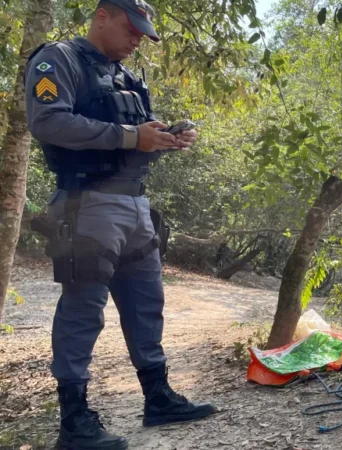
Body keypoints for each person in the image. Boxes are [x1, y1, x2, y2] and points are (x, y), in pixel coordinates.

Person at [25, 1, 217, 449]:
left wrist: (163, 137)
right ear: (102, 16)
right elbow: (48, 122)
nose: (136, 41)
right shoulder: (58, 60)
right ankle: (74, 421)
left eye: (142, 34)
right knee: (83, 308)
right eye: (131, 30)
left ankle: (158, 398)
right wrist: (134, 136)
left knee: (147, 303)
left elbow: (128, 134)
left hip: (135, 205)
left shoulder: (126, 76)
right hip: (88, 202)